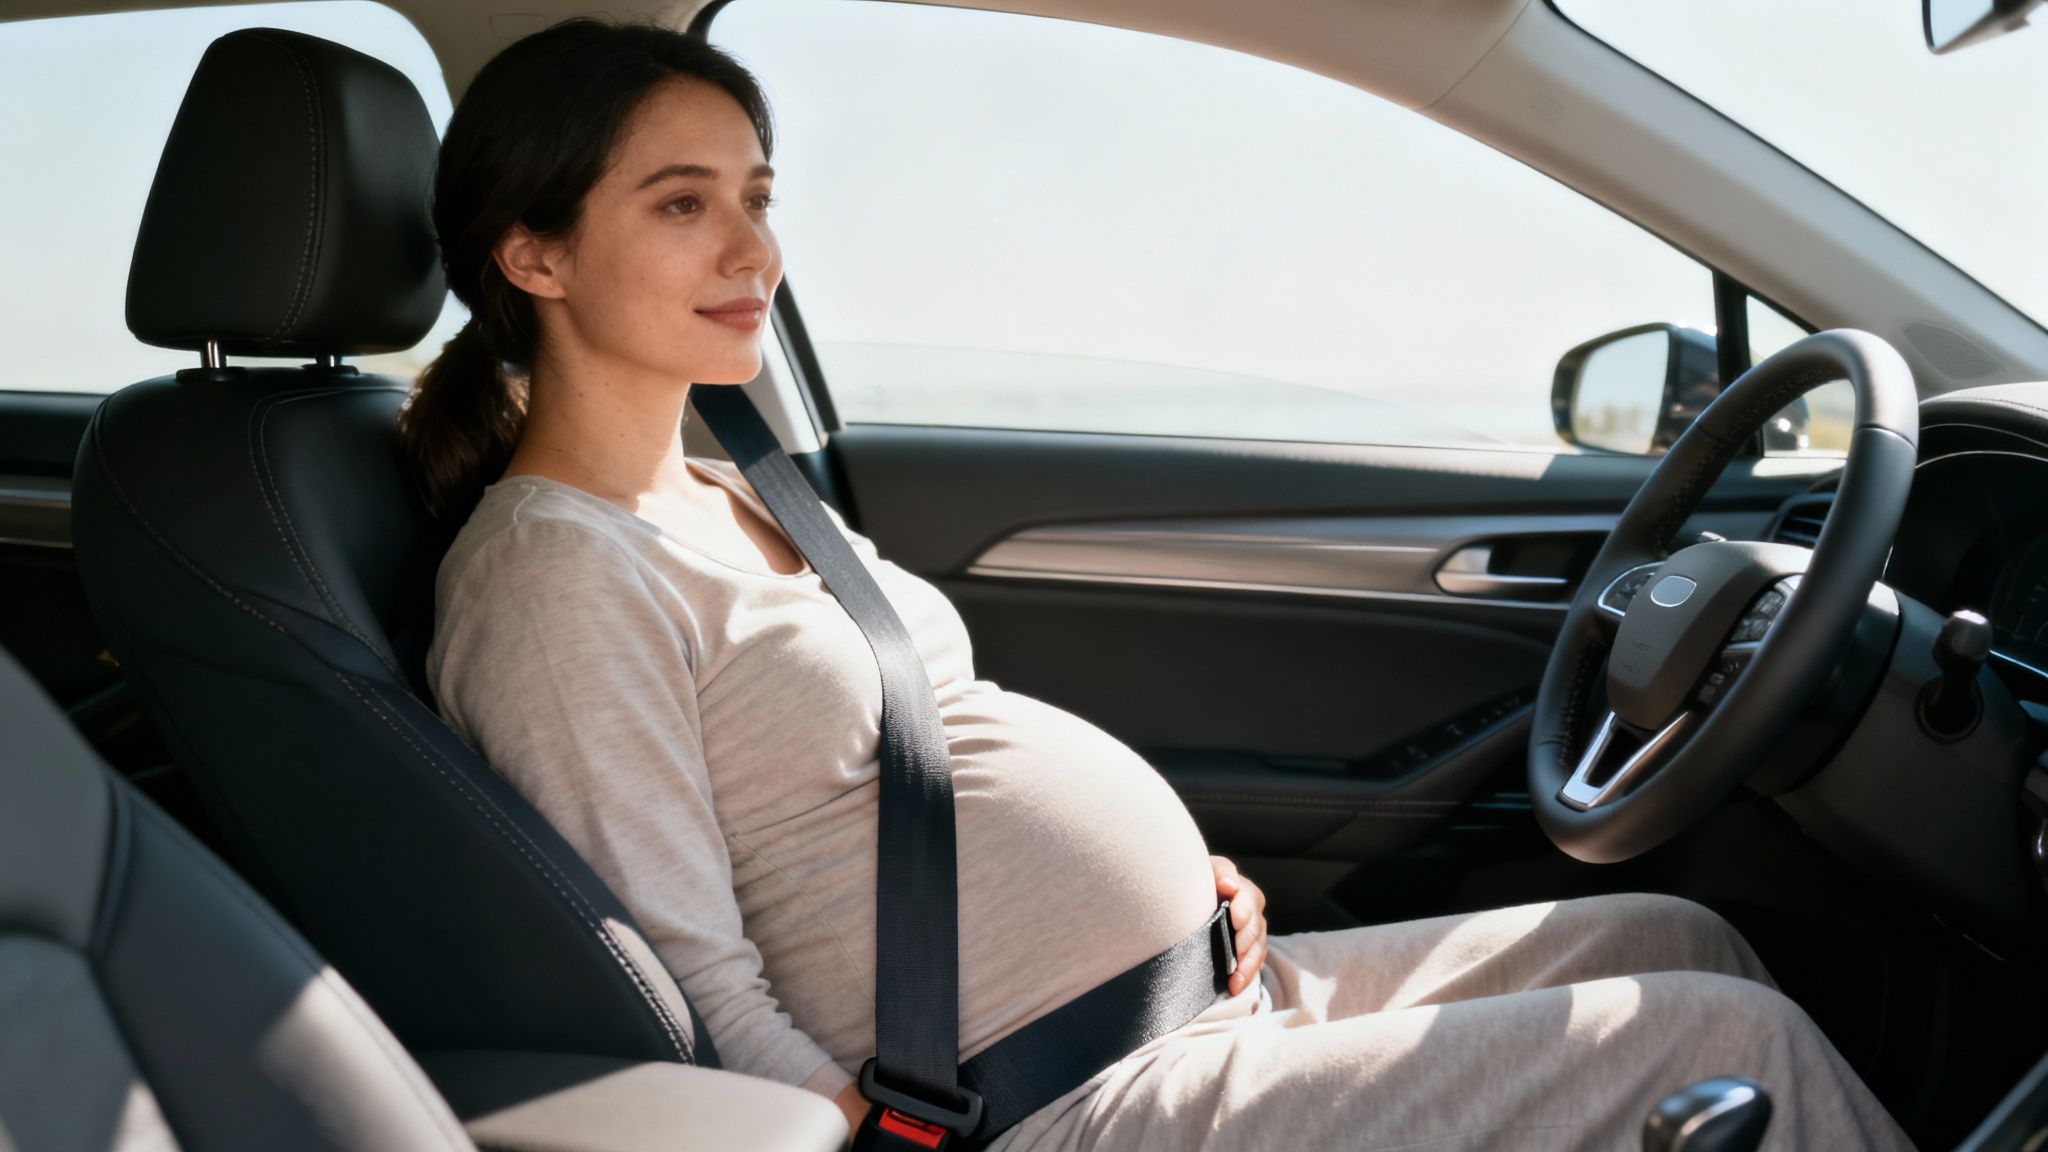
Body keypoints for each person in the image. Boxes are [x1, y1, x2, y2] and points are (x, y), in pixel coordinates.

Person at [409, 18, 1913, 1150]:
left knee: (1678, 943)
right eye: (683, 205)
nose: (756, 248)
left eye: (757, 194)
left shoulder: (734, 484)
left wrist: (1181, 898)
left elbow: (939, 766)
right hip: (1052, 1107)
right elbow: (678, 984)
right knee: (1730, 1044)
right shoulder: (556, 577)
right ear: (535, 254)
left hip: (1189, 996)